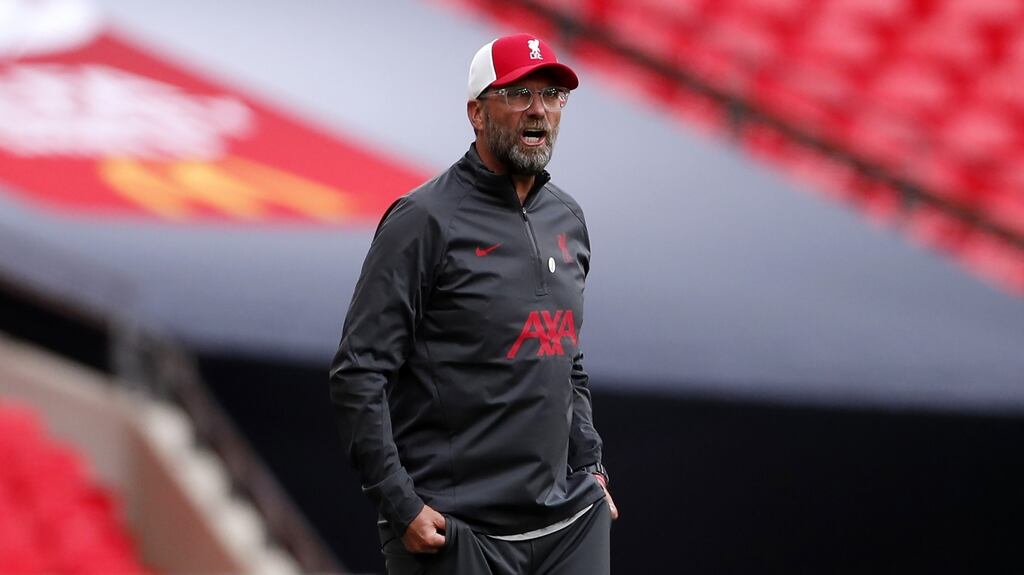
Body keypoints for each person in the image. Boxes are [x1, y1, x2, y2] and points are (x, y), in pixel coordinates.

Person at [329, 33, 617, 574]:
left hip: (565, 527)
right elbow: (358, 372)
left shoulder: (569, 220)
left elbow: (565, 356)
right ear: (477, 113)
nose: (539, 110)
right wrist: (400, 503)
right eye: (517, 94)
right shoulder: (423, 219)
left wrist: (593, 467)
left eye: (553, 94)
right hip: (457, 532)